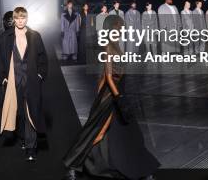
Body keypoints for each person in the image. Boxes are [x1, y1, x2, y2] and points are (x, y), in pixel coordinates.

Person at [63, 15, 160, 180]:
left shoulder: (116, 47)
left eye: (121, 27)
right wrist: (118, 97)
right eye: (119, 27)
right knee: (94, 132)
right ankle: (73, 165)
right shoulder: (108, 46)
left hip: (118, 93)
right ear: (111, 28)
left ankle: (141, 169)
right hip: (111, 96)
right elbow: (108, 76)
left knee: (129, 133)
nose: (121, 30)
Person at [0, 6, 48, 161]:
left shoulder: (35, 36)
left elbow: (42, 58)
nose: (20, 21)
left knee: (30, 112)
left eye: (23, 18)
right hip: (13, 79)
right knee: (17, 112)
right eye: (17, 18)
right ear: (14, 19)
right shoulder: (6, 37)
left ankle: (31, 147)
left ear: (27, 19)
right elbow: (0, 59)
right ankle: (24, 139)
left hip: (30, 79)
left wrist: (39, 75)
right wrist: (3, 77)